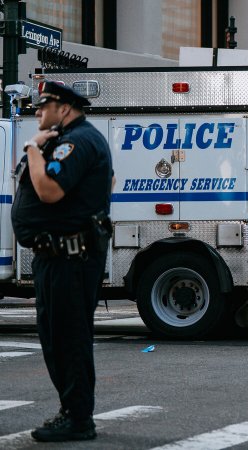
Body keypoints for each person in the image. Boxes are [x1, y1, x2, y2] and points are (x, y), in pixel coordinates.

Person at [11, 82, 113, 442]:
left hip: (68, 257)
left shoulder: (77, 140)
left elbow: (49, 190)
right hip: (58, 255)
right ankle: (73, 412)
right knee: (59, 338)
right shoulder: (69, 139)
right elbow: (109, 181)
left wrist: (32, 148)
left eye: (44, 105)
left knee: (67, 339)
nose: (37, 112)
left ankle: (77, 418)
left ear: (64, 107)